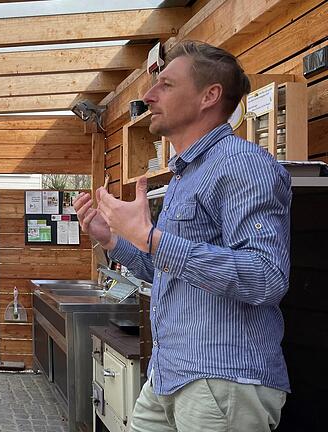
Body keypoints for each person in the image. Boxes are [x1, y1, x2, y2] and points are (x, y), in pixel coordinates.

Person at [74, 40, 291, 431]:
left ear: (210, 95)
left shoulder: (243, 164)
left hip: (223, 379)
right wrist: (113, 240)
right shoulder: (184, 176)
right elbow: (168, 271)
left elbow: (266, 277)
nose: (148, 96)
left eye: (167, 85)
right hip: (170, 374)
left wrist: (152, 238)